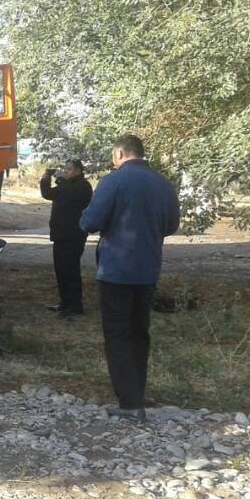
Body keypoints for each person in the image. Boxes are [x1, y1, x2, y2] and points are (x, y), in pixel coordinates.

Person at [80, 134, 180, 421]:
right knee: (139, 333)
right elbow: (171, 224)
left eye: (114, 157)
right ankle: (138, 392)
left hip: (116, 270)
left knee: (117, 334)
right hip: (148, 269)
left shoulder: (113, 182)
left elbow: (90, 222)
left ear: (120, 154)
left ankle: (130, 403)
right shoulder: (163, 183)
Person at [40, 159, 92, 317]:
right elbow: (48, 194)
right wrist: (46, 178)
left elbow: (71, 193)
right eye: (65, 168)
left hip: (74, 236)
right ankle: (64, 303)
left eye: (68, 169)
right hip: (60, 234)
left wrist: (62, 181)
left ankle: (75, 306)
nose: (65, 171)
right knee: (60, 270)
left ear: (78, 170)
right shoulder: (66, 185)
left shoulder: (83, 185)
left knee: (71, 271)